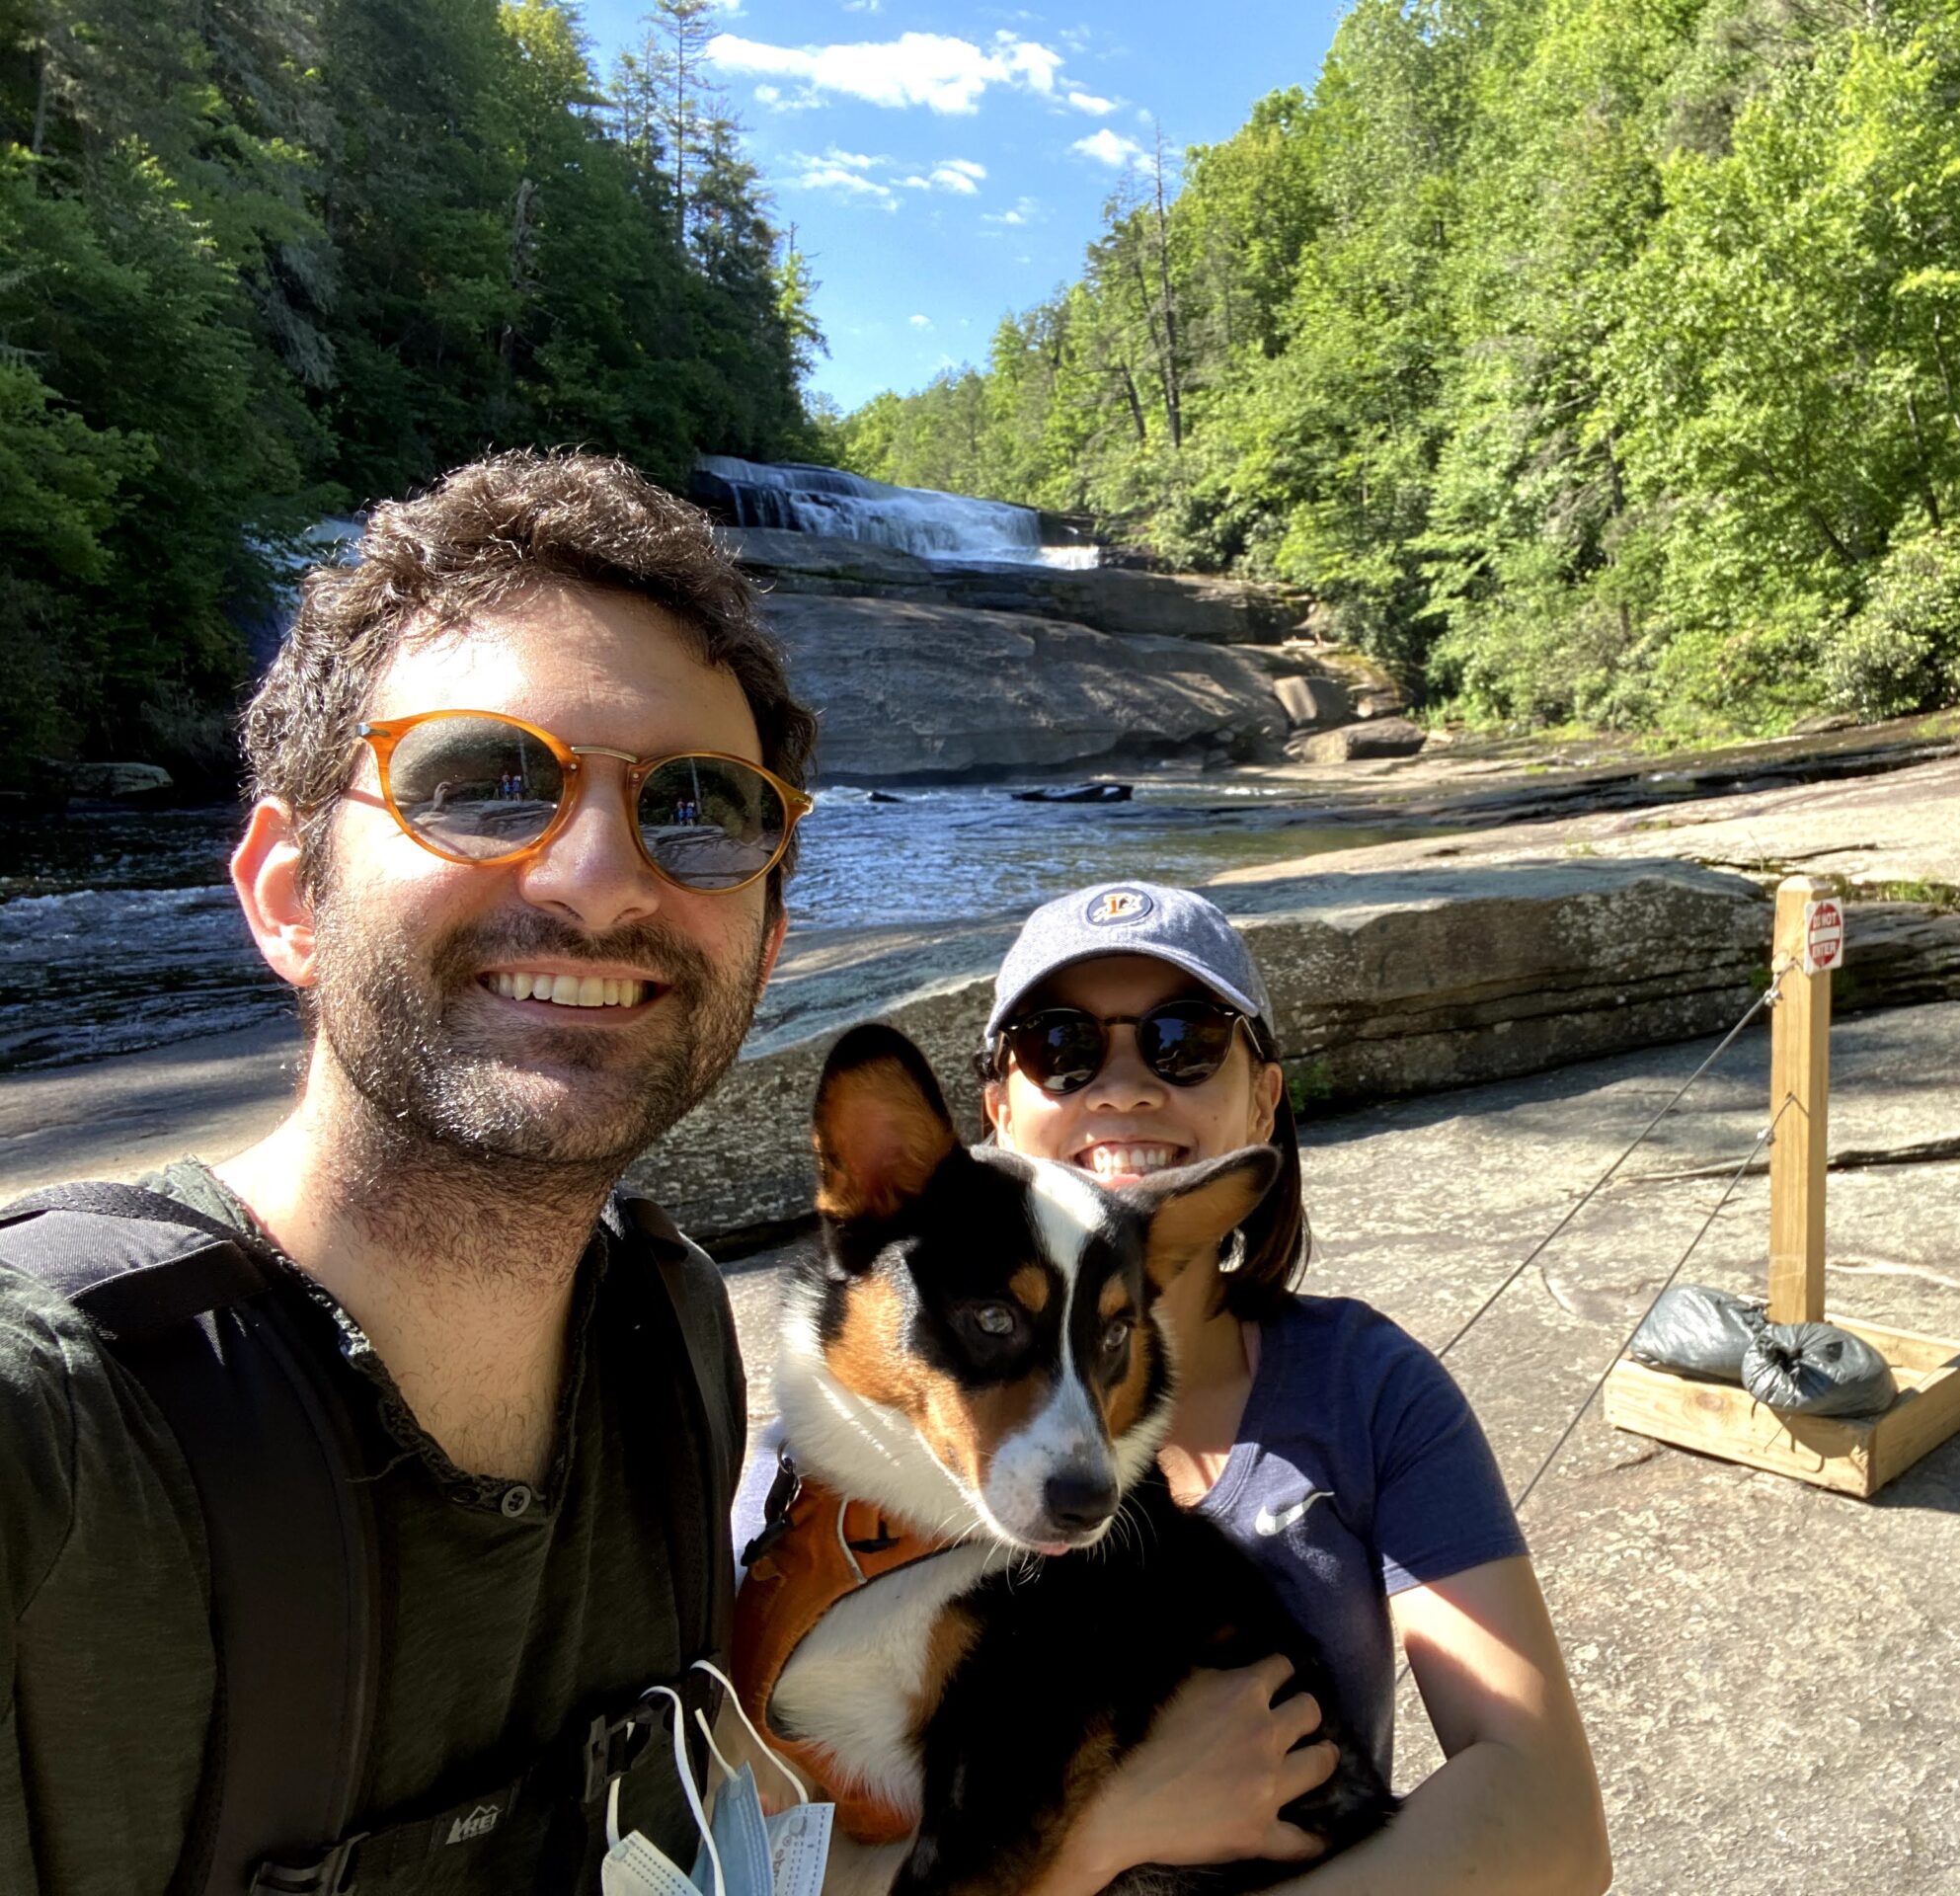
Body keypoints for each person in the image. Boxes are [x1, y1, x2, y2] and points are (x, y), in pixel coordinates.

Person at [0, 451, 819, 1892]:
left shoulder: (672, 1339)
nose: (600, 879)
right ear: (284, 895)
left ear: (768, 935)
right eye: (486, 783)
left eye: (700, 807)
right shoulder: (58, 1433)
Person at [972, 882, 1612, 1896]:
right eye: (1062, 1048)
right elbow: (770, 1829)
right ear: (1000, 1114)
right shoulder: (878, 1409)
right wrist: (1093, 1841)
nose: (1124, 1090)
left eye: (1182, 1041)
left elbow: (1550, 1820)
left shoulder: (1367, 1390)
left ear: (1263, 1097)